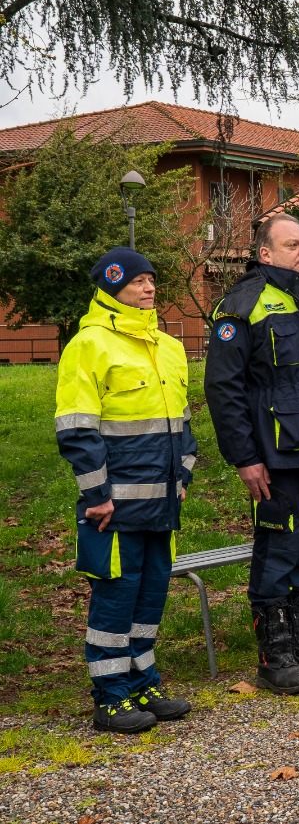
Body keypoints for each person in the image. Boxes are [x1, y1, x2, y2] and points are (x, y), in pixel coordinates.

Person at [206, 214, 299, 694]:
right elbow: (223, 389)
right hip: (276, 457)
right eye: (293, 244)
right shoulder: (242, 305)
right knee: (277, 553)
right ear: (265, 253)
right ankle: (275, 656)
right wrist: (244, 458)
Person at [56, 248, 196, 732]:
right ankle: (110, 698)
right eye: (138, 281)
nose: (149, 288)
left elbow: (183, 423)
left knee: (149, 601)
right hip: (114, 508)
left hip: (162, 504)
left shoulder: (168, 346)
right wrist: (97, 496)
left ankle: (142, 683)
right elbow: (76, 429)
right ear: (112, 288)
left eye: (151, 279)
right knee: (115, 602)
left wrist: (184, 477)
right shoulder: (88, 345)